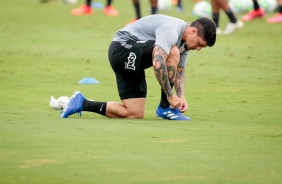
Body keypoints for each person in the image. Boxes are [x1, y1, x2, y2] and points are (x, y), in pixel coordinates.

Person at [60, 14, 216, 120]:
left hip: (132, 58)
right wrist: (170, 96)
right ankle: (165, 107)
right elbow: (158, 62)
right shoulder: (172, 29)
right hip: (122, 48)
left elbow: (179, 70)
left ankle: (81, 103)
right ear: (193, 31)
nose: (198, 49)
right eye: (200, 44)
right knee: (171, 52)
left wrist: (181, 96)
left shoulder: (184, 43)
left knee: (133, 113)